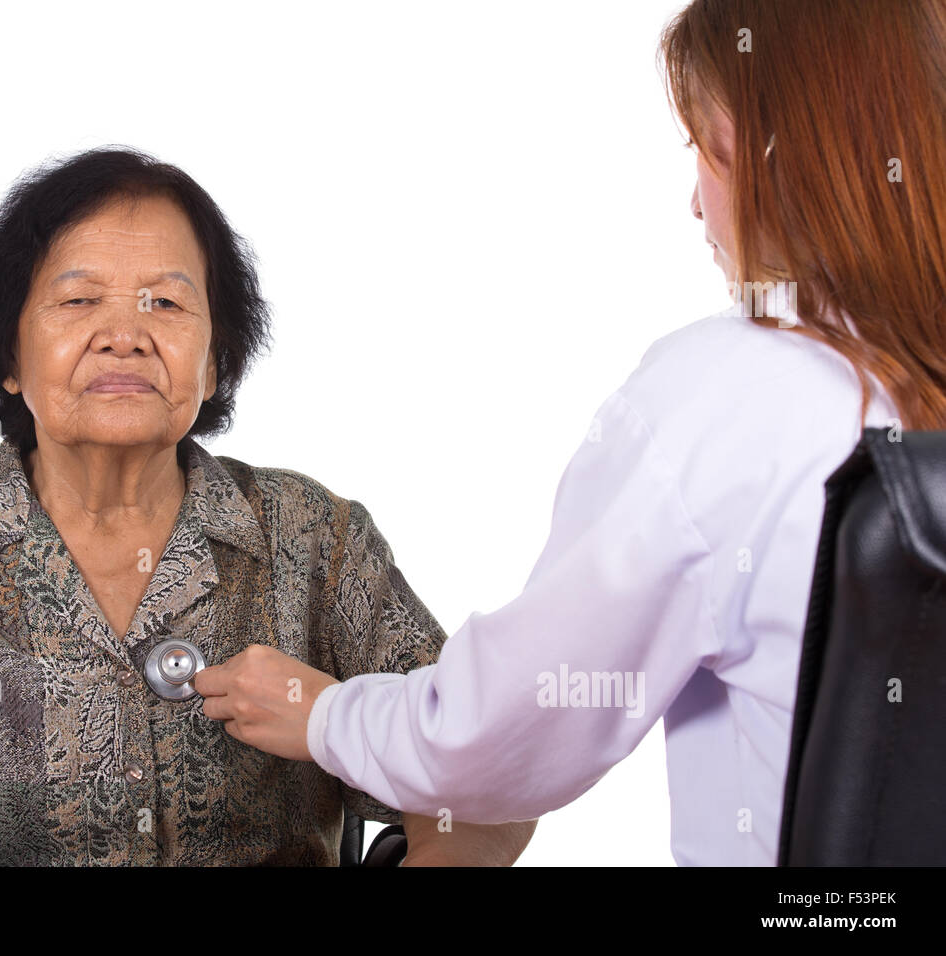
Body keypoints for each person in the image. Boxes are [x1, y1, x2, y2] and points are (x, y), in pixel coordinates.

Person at [196, 0, 946, 865]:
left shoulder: (734, 392)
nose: (696, 201)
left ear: (773, 151)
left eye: (703, 147)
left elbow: (502, 734)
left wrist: (322, 715)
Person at [0, 146, 534, 866]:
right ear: (8, 355)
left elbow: (487, 768)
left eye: (165, 303)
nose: (123, 333)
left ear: (214, 364)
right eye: (77, 299)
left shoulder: (317, 538)